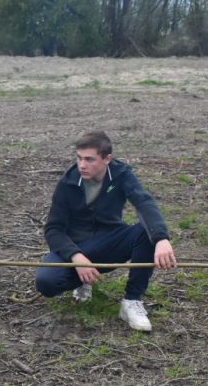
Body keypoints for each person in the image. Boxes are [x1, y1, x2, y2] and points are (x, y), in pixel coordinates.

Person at [35, 130, 177, 332]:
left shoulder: (121, 175)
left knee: (146, 232)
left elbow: (144, 203)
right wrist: (76, 258)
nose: (82, 165)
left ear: (107, 159)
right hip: (75, 247)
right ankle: (82, 281)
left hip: (110, 243)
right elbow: (53, 229)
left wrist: (161, 239)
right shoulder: (68, 183)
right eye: (79, 158)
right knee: (46, 283)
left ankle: (131, 302)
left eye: (89, 159)